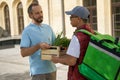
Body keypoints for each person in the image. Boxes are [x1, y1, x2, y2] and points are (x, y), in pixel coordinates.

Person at [51, 6, 94, 80]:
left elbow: (71, 61)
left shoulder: (78, 37)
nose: (70, 18)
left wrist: (57, 59)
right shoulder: (91, 32)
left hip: (78, 76)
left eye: (71, 17)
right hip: (87, 75)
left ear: (78, 19)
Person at [20, 2, 56, 80]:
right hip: (38, 73)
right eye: (37, 13)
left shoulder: (48, 28)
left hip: (52, 70)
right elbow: (23, 53)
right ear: (30, 15)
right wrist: (38, 46)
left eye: (41, 12)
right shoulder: (27, 31)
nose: (40, 15)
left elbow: (56, 45)